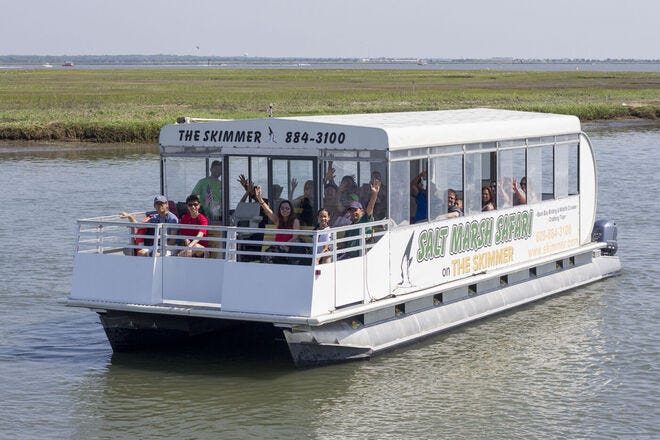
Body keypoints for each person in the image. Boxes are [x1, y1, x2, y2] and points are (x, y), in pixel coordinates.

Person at [254, 186, 301, 262]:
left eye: (287, 208)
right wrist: (260, 198)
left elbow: (295, 237)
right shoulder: (278, 221)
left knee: (270, 257)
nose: (284, 210)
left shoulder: (295, 221)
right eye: (282, 208)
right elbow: (268, 210)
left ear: (291, 210)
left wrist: (284, 245)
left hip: (287, 249)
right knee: (266, 256)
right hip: (277, 249)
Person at [342, 179, 381, 259]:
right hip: (348, 257)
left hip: (361, 257)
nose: (353, 213)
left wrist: (374, 193)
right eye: (351, 211)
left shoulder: (365, 219)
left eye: (355, 210)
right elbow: (344, 244)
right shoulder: (349, 227)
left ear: (362, 210)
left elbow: (371, 207)